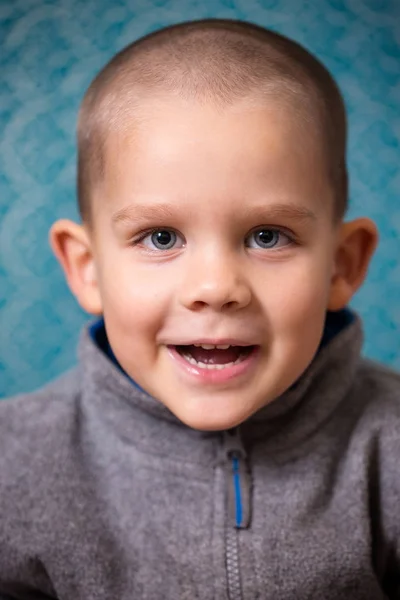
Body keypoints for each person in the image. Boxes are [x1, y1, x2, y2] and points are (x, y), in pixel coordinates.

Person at [0, 17, 399, 600]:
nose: (214, 287)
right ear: (87, 269)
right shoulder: (16, 464)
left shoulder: (387, 447)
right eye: (161, 238)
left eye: (267, 236)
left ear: (342, 265)